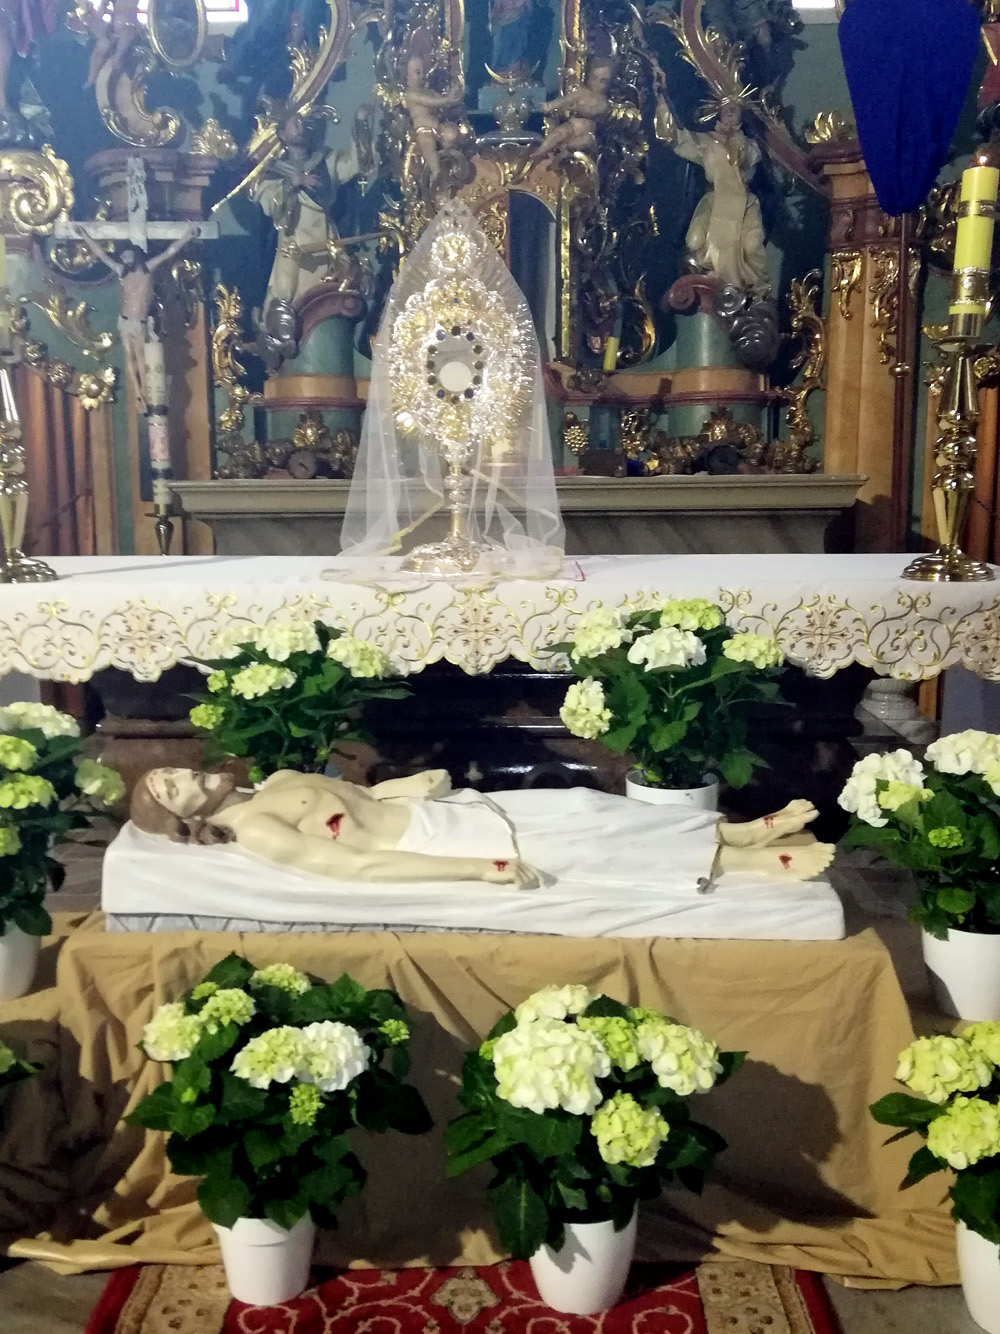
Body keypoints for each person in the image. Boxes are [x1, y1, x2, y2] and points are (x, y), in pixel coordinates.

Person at [129, 766, 835, 888]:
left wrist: (410, 785)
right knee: (589, 848)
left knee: (587, 806)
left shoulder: (275, 781)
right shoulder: (258, 828)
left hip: (447, 811)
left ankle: (728, 834)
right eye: (172, 790)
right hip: (439, 843)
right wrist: (474, 868)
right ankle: (741, 864)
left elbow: (359, 797)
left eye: (172, 772)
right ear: (185, 819)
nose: (184, 777)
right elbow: (358, 867)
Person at [656, 95, 770, 294]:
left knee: (752, 246)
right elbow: (676, 138)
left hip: (744, 205)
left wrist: (734, 138)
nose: (730, 111)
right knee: (694, 241)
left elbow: (745, 158)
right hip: (715, 202)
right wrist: (662, 102)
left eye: (735, 108)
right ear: (718, 113)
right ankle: (709, 279)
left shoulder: (751, 145)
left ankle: (759, 289)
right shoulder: (706, 142)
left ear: (741, 115)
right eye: (726, 108)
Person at [76, 226, 196, 412]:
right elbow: (101, 255)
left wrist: (187, 236)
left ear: (135, 255)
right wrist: (84, 235)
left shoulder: (148, 269)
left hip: (140, 321)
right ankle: (138, 393)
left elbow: (169, 252)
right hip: (125, 320)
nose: (124, 259)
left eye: (127, 256)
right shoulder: (121, 271)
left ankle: (146, 393)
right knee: (129, 357)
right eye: (123, 257)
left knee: (141, 357)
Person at [529, 59, 613, 164]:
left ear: (609, 83)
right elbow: (565, 100)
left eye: (602, 81)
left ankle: (562, 154)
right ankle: (538, 153)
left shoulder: (604, 102)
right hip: (572, 126)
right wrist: (550, 106)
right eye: (594, 78)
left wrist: (577, 107)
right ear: (589, 77)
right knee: (558, 133)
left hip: (586, 133)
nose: (596, 83)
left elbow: (592, 112)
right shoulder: (581, 93)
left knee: (584, 141)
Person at [404, 53, 466, 183]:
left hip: (437, 126)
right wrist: (447, 99)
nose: (422, 75)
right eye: (417, 72)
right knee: (428, 145)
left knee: (451, 133)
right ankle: (436, 172)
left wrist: (452, 94)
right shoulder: (411, 94)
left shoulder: (428, 91)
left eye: (423, 72)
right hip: (423, 129)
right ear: (407, 76)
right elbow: (430, 102)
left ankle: (449, 158)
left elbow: (440, 100)